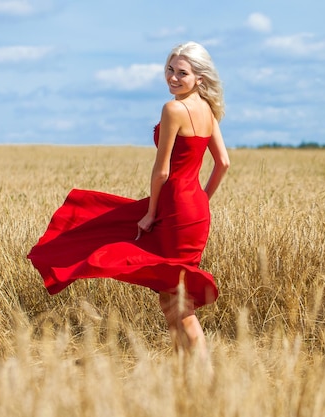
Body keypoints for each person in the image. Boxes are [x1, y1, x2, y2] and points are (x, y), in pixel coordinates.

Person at [27, 41, 230, 359]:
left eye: (182, 73)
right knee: (171, 297)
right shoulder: (208, 109)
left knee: (178, 301)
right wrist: (201, 199)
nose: (173, 78)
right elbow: (223, 163)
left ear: (199, 78)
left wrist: (150, 214)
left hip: (173, 207)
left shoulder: (173, 109)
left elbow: (161, 171)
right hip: (195, 211)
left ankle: (205, 377)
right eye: (170, 70)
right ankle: (185, 373)